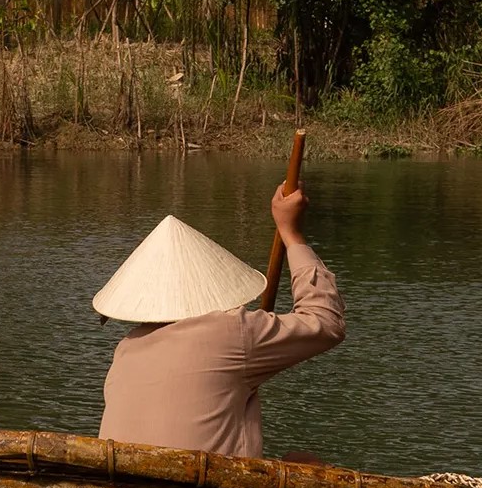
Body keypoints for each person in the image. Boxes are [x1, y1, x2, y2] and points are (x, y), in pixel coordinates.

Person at [94, 187, 345, 458]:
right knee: (303, 461)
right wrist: (290, 232)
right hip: (206, 483)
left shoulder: (125, 350)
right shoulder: (230, 331)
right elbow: (325, 320)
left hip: (128, 482)